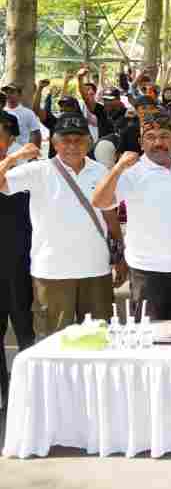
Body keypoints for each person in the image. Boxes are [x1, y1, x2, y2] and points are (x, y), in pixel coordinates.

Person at [0, 114, 125, 336]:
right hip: (52, 272)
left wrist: (120, 256)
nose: (72, 146)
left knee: (100, 340)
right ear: (55, 143)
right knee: (54, 343)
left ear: (89, 142)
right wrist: (14, 157)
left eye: (79, 140)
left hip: (96, 270)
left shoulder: (100, 171)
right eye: (65, 140)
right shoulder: (39, 170)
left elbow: (109, 216)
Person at [91, 113, 171, 322]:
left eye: (164, 136)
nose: (158, 142)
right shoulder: (132, 173)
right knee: (149, 335)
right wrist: (118, 168)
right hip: (147, 272)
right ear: (141, 142)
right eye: (151, 137)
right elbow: (100, 201)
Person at [0, 111, 35, 402]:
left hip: (19, 262)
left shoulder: (25, 167)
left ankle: (25, 397)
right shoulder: (15, 162)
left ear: (11, 137)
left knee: (25, 329)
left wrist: (13, 159)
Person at [1, 84, 42, 149]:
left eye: (12, 92)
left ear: (19, 95)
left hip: (21, 153)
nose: (8, 95)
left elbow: (35, 133)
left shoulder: (28, 113)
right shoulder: (2, 112)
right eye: (6, 92)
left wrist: (33, 155)